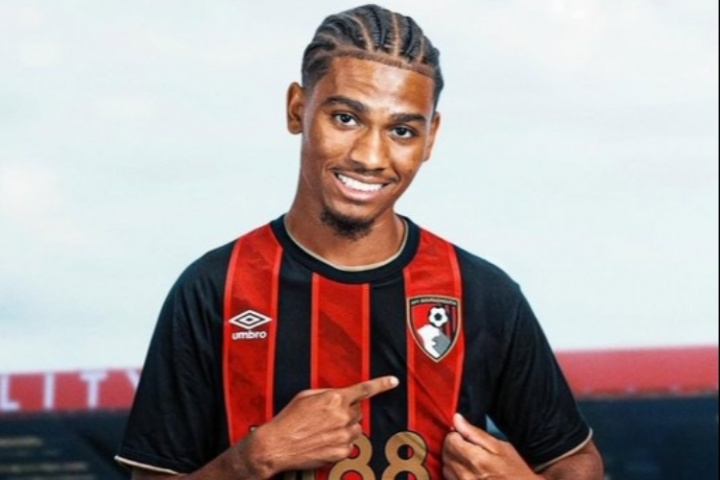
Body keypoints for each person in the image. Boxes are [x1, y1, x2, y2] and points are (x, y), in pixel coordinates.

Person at [116, 4, 603, 479]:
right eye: (346, 118)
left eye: (402, 130)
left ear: (430, 138)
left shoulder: (482, 293)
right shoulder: (214, 289)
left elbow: (576, 462)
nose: (371, 156)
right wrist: (252, 461)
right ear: (297, 109)